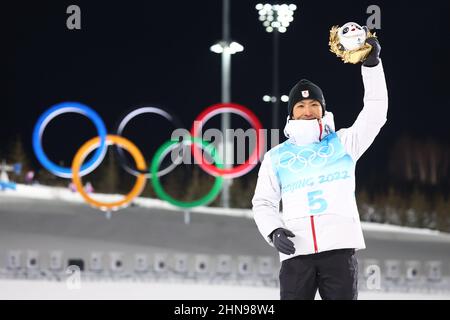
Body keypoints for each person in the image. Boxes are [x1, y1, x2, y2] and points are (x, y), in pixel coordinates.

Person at [252, 37, 387, 300]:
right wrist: (273, 229)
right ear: (291, 114)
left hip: (339, 252)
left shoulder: (345, 143)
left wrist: (372, 66)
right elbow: (263, 202)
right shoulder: (276, 157)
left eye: (314, 104)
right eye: (300, 106)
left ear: (323, 110)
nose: (308, 110)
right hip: (296, 254)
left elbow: (375, 113)